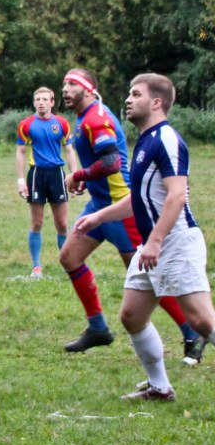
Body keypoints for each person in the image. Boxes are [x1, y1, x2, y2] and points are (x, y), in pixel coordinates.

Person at [73, 73, 215, 401]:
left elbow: (177, 195)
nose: (128, 99)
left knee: (202, 322)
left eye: (136, 94)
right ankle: (160, 387)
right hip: (153, 245)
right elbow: (138, 199)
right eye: (129, 93)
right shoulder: (145, 141)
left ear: (156, 102)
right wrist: (98, 217)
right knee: (132, 315)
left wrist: (155, 241)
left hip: (174, 242)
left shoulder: (166, 139)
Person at [15, 87, 74, 277]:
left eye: (45, 99)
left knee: (62, 224)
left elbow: (69, 150)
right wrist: (20, 180)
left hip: (57, 174)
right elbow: (20, 152)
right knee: (37, 223)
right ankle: (36, 266)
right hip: (37, 175)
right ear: (34, 103)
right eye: (38, 99)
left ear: (52, 102)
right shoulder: (26, 125)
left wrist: (75, 175)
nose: (41, 102)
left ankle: (67, 264)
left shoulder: (62, 124)